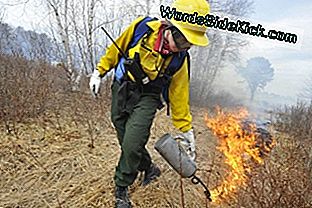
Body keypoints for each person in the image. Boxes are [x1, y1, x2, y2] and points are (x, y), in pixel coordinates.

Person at [89, 0, 210, 207]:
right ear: (168, 26)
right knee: (125, 138)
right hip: (122, 89)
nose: (182, 47)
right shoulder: (142, 28)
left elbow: (179, 95)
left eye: (188, 44)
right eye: (181, 40)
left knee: (132, 142)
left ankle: (121, 187)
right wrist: (99, 72)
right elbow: (115, 51)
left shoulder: (179, 60)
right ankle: (149, 168)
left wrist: (186, 129)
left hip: (148, 98)